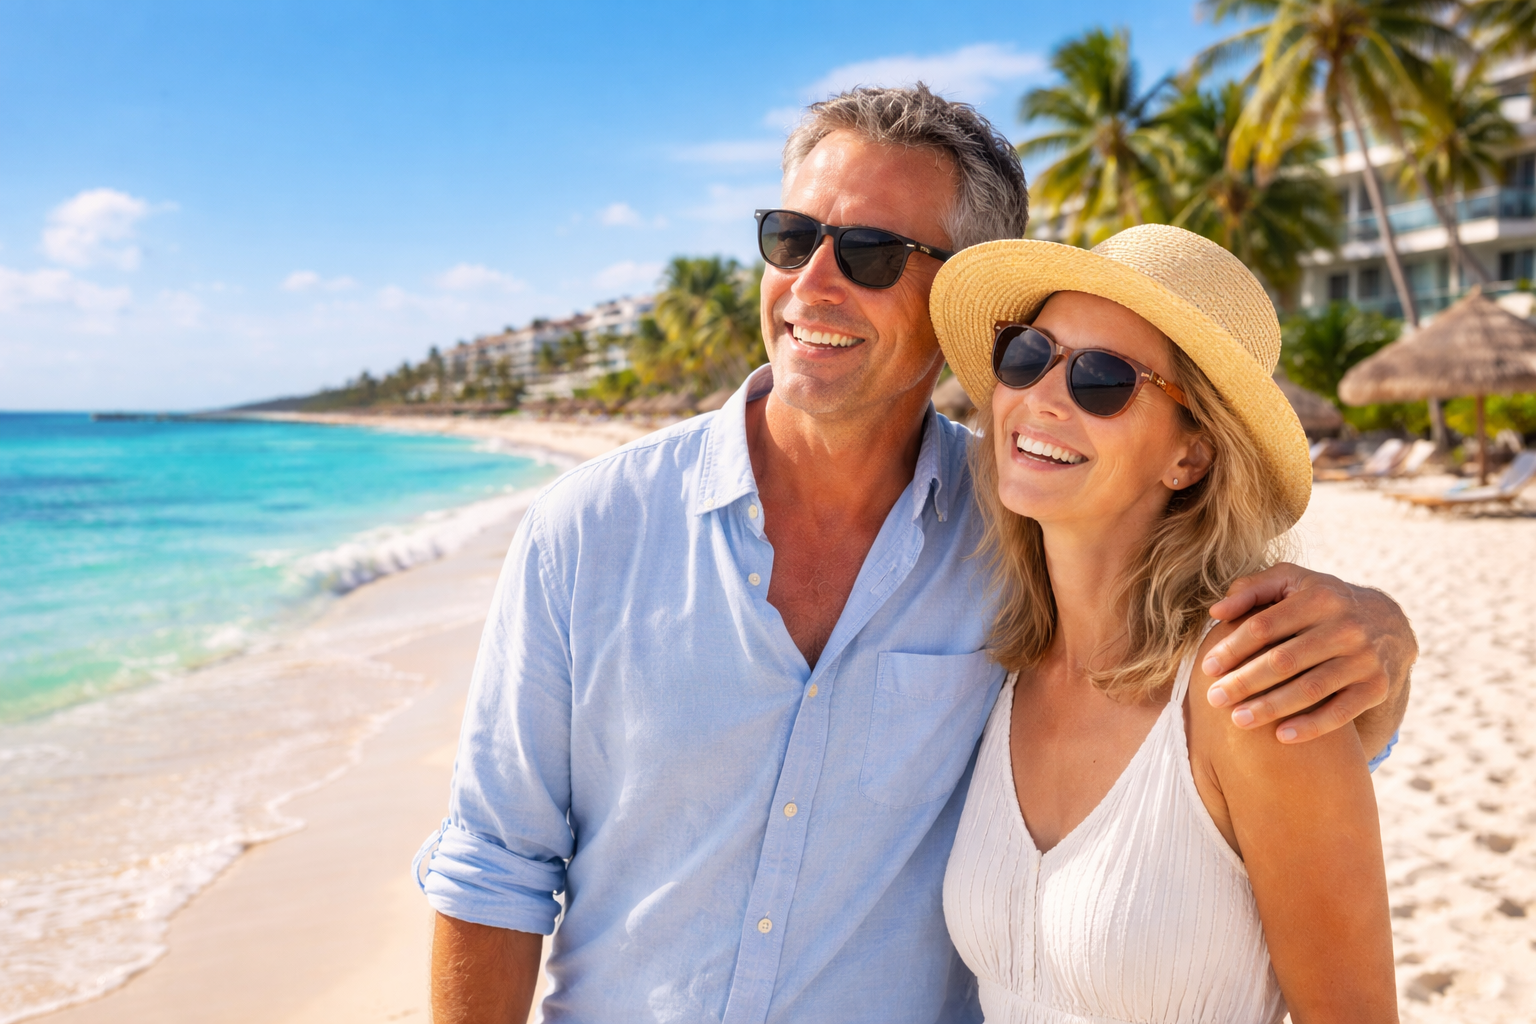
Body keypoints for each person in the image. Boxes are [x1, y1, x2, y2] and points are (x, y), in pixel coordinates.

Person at [415, 87, 1415, 1024]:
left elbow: (1252, 755)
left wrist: (1382, 631)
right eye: (792, 237)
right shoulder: (585, 531)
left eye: (870, 251)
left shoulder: (1022, 542)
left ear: (947, 304)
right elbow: (493, 867)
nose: (813, 281)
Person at [933, 225, 1396, 1022]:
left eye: (1103, 379)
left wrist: (1391, 632)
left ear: (1190, 458)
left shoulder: (1250, 687)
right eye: (1027, 354)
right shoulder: (993, 668)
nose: (1040, 395)